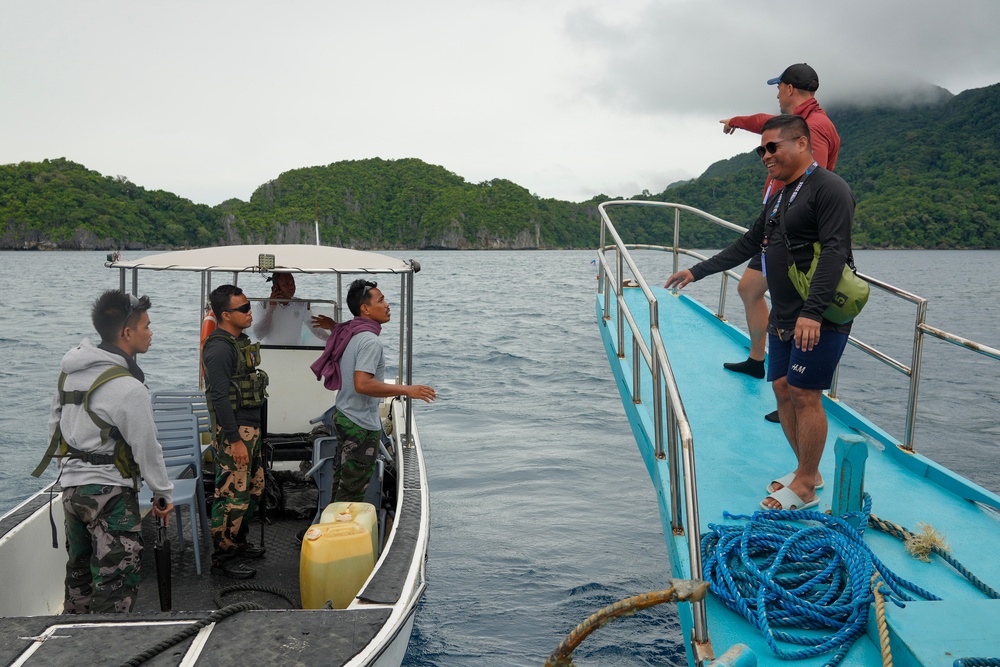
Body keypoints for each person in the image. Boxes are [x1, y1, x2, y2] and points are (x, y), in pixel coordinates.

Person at [665, 115, 855, 511]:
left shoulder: (829, 189)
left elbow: (836, 252)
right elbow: (751, 242)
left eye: (773, 147)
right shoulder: (781, 195)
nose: (765, 155)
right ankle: (808, 470)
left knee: (806, 394)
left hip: (816, 315)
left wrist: (814, 313)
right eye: (761, 149)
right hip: (785, 314)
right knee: (783, 389)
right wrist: (696, 270)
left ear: (802, 144)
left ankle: (804, 485)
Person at [719, 63, 841, 423]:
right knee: (748, 289)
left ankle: (787, 392)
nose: (776, 94)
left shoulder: (814, 129)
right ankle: (760, 362)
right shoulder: (802, 121)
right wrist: (736, 121)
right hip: (777, 228)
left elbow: (808, 180)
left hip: (791, 235)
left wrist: (781, 221)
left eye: (779, 88)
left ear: (789, 88)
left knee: (782, 304)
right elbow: (763, 121)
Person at [44, 290, 174, 613]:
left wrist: (68, 474)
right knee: (114, 589)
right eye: (146, 325)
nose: (151, 331)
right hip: (111, 497)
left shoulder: (69, 373)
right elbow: (147, 447)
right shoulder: (129, 388)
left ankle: (73, 644)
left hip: (72, 493)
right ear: (127, 333)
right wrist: (162, 493)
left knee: (79, 579)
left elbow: (54, 429)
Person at [310, 279, 437, 502]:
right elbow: (363, 384)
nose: (387, 305)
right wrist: (407, 390)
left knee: (342, 480)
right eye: (381, 300)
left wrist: (331, 324)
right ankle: (337, 532)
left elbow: (341, 328)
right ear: (365, 309)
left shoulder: (351, 332)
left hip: (343, 414)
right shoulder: (370, 341)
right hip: (359, 424)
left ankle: (326, 524)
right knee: (352, 492)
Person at [202, 284, 269, 579]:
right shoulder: (218, 348)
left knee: (253, 488)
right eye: (243, 308)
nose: (249, 311)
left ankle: (239, 542)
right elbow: (218, 396)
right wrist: (234, 439)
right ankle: (224, 555)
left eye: (249, 305)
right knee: (231, 494)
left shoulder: (239, 341)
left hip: (249, 429)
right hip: (235, 433)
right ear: (226, 315)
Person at [253, 273, 335, 345]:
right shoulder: (263, 304)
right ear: (275, 287)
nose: (291, 287)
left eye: (293, 283)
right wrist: (271, 310)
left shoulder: (301, 304)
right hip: (269, 352)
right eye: (286, 284)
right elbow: (259, 335)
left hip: (295, 353)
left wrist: (332, 339)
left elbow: (314, 327)